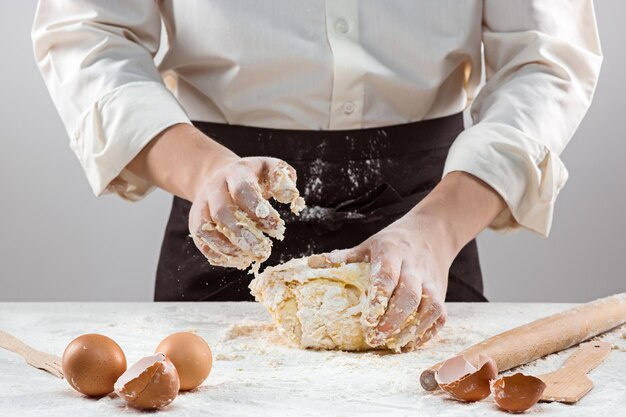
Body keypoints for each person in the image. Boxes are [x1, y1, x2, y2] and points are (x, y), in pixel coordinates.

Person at [32, 1, 602, 348]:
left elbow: (545, 60)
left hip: (430, 222)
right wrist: (203, 167)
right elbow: (89, 31)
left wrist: (441, 228)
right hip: (227, 216)